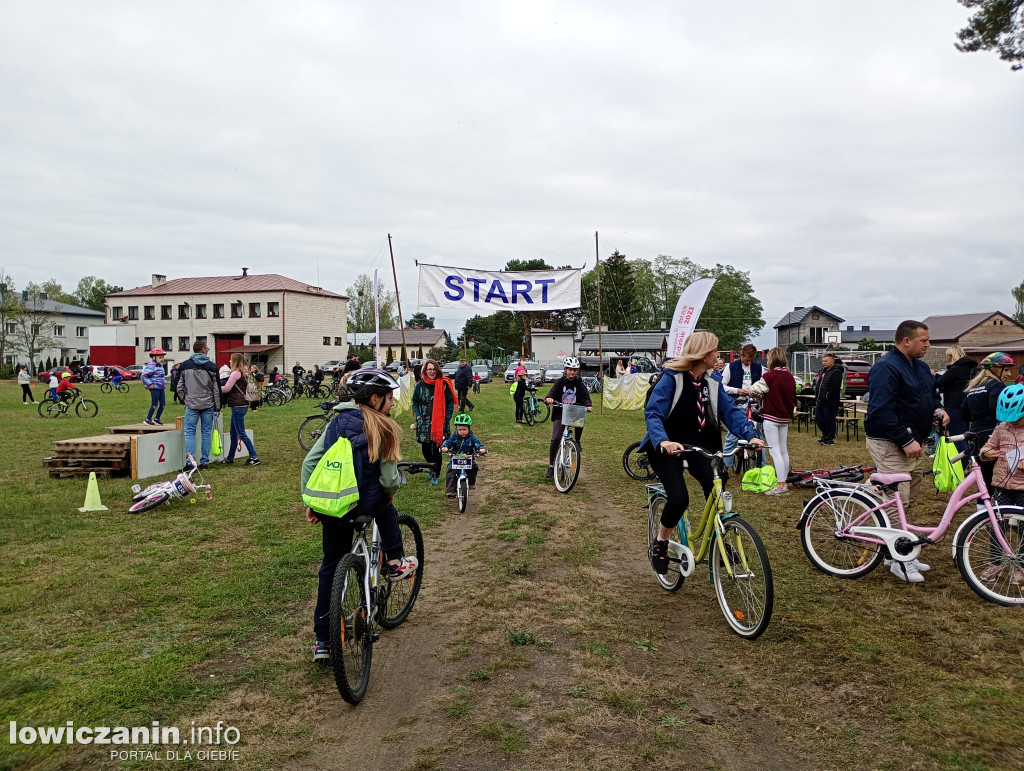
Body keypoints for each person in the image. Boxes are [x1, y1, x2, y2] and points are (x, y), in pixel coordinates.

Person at [302, 368, 417, 662]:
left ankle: (323, 642)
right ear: (375, 399)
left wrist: (314, 503)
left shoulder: (337, 422)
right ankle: (394, 562)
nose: (393, 404)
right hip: (366, 503)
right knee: (387, 505)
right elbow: (390, 480)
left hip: (336, 506)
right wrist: (389, 492)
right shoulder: (385, 427)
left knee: (331, 567)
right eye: (390, 398)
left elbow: (310, 463)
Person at [643, 332, 764, 574]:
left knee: (718, 487)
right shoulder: (672, 379)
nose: (718, 356)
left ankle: (718, 539)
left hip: (700, 446)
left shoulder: (712, 382)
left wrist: (749, 434)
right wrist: (664, 441)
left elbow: (730, 412)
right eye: (714, 351)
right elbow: (653, 413)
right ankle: (661, 542)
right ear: (703, 354)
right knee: (678, 498)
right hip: (669, 446)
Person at [864, 320, 948, 584]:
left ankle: (894, 550)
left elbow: (929, 398)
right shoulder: (886, 368)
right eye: (924, 340)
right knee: (897, 500)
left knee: (907, 499)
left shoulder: (921, 367)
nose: (928, 344)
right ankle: (900, 557)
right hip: (890, 442)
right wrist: (905, 438)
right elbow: (879, 412)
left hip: (915, 441)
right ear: (906, 341)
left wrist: (938, 410)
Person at [962, 352, 1016, 494]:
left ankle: (982, 510)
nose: (1009, 374)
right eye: (1006, 369)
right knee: (1000, 479)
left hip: (975, 435)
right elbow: (999, 411)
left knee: (984, 480)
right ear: (995, 369)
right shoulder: (996, 386)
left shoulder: (973, 388)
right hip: (992, 435)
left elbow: (964, 414)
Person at [543, 357, 594, 479]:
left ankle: (577, 441)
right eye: (570, 370)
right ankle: (551, 466)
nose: (572, 372)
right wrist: (549, 399)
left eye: (575, 370)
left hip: (574, 411)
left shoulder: (579, 383)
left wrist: (588, 405)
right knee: (555, 439)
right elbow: (551, 393)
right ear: (565, 369)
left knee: (580, 418)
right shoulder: (560, 382)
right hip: (560, 412)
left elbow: (586, 396)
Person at [176, 341, 222, 471]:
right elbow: (216, 389)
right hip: (208, 404)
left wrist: (185, 399)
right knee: (206, 433)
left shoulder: (184, 366)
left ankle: (190, 463)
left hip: (191, 404)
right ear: (203, 350)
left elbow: (179, 386)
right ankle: (204, 462)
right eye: (207, 348)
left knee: (189, 433)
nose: (207, 350)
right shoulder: (212, 366)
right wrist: (217, 407)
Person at [758, 347, 797, 495]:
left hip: (771, 416)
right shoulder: (789, 376)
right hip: (784, 417)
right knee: (783, 450)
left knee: (775, 451)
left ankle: (781, 485)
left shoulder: (769, 376)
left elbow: (756, 389)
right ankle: (784, 480)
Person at [412, 359, 456, 485]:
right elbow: (415, 401)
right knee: (426, 449)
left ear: (437, 370)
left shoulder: (443, 384)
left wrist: (446, 418)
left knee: (437, 449)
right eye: (429, 369)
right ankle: (431, 468)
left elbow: (449, 402)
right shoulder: (420, 385)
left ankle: (435, 473)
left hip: (440, 422)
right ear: (425, 371)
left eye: (433, 369)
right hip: (424, 421)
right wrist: (418, 415)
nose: (431, 372)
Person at [721, 345, 764, 469]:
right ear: (741, 355)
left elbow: (763, 385)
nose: (749, 362)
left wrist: (760, 393)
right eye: (746, 360)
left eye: (751, 360)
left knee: (759, 435)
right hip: (736, 402)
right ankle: (725, 465)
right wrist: (737, 390)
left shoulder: (759, 368)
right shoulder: (730, 367)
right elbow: (721, 386)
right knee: (732, 435)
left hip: (754, 404)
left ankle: (761, 466)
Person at [220, 353, 260, 466]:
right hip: (242, 405)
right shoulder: (244, 373)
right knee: (233, 433)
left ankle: (254, 457)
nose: (229, 361)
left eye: (231, 360)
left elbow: (227, 388)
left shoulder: (235, 374)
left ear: (235, 361)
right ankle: (230, 458)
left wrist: (215, 387)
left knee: (241, 433)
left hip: (237, 406)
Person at [934, 345, 976, 442]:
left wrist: (932, 377)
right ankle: (967, 455)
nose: (948, 358)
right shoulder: (970, 368)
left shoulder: (956, 369)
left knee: (956, 437)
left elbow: (940, 382)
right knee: (965, 434)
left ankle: (960, 456)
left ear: (952, 355)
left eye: (948, 356)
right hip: (966, 406)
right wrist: (936, 375)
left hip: (954, 406)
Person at [440, 413, 487, 498]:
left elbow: (478, 444)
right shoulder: (454, 437)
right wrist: (445, 447)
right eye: (460, 429)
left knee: (473, 467)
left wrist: (481, 449)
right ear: (456, 429)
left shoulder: (472, 438)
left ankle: (472, 482)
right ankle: (450, 490)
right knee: (451, 470)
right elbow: (447, 443)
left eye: (464, 429)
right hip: (455, 458)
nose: (462, 432)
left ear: (469, 428)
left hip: (468, 458)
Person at [815, 353, 845, 446]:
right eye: (823, 361)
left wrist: (828, 395)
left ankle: (829, 438)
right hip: (821, 400)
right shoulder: (824, 371)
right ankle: (825, 435)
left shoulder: (836, 372)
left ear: (832, 361)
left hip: (830, 401)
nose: (824, 363)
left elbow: (835, 386)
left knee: (829, 420)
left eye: (826, 361)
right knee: (819, 418)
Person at [142, 348, 167, 426]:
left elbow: (161, 376)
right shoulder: (151, 365)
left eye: (163, 357)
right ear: (154, 357)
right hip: (154, 387)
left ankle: (157, 418)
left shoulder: (160, 366)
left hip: (161, 387)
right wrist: (149, 384)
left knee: (163, 404)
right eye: (160, 357)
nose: (162, 359)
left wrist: (164, 382)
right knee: (154, 404)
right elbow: (144, 376)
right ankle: (148, 419)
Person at [513, 359, 528, 424]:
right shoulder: (521, 382)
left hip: (517, 396)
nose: (526, 376)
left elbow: (515, 374)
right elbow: (526, 388)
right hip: (518, 397)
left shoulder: (519, 381)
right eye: (524, 375)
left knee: (519, 407)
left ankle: (518, 419)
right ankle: (519, 419)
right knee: (520, 408)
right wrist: (533, 389)